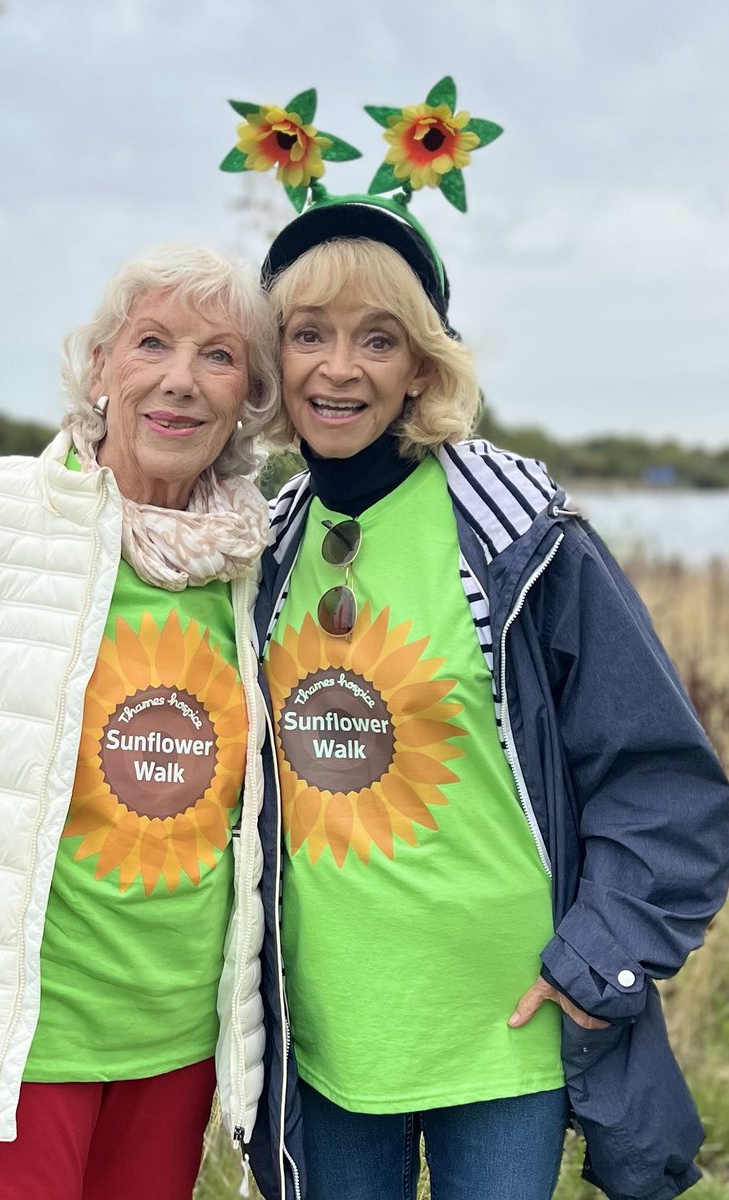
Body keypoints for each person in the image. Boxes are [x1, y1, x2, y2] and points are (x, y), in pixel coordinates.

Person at [233, 90, 729, 1200]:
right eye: (308, 335)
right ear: (276, 358)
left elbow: (662, 778)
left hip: (502, 1024)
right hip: (324, 1033)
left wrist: (598, 958)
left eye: (379, 339)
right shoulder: (261, 545)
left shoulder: (520, 537)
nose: (339, 370)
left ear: (424, 366)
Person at [0, 243, 279, 1200]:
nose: (179, 381)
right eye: (151, 342)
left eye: (218, 356)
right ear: (101, 364)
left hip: (179, 1042)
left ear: (250, 395)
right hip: (11, 1042)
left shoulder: (260, 563)